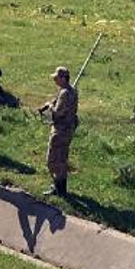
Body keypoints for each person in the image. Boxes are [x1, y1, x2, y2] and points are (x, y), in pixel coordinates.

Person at [40, 66, 79, 197]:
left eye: (56, 78)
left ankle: (57, 186)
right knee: (62, 159)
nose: (55, 80)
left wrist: (50, 106)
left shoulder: (64, 93)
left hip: (60, 131)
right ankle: (62, 189)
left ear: (63, 78)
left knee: (52, 160)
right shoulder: (73, 91)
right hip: (69, 129)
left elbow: (58, 113)